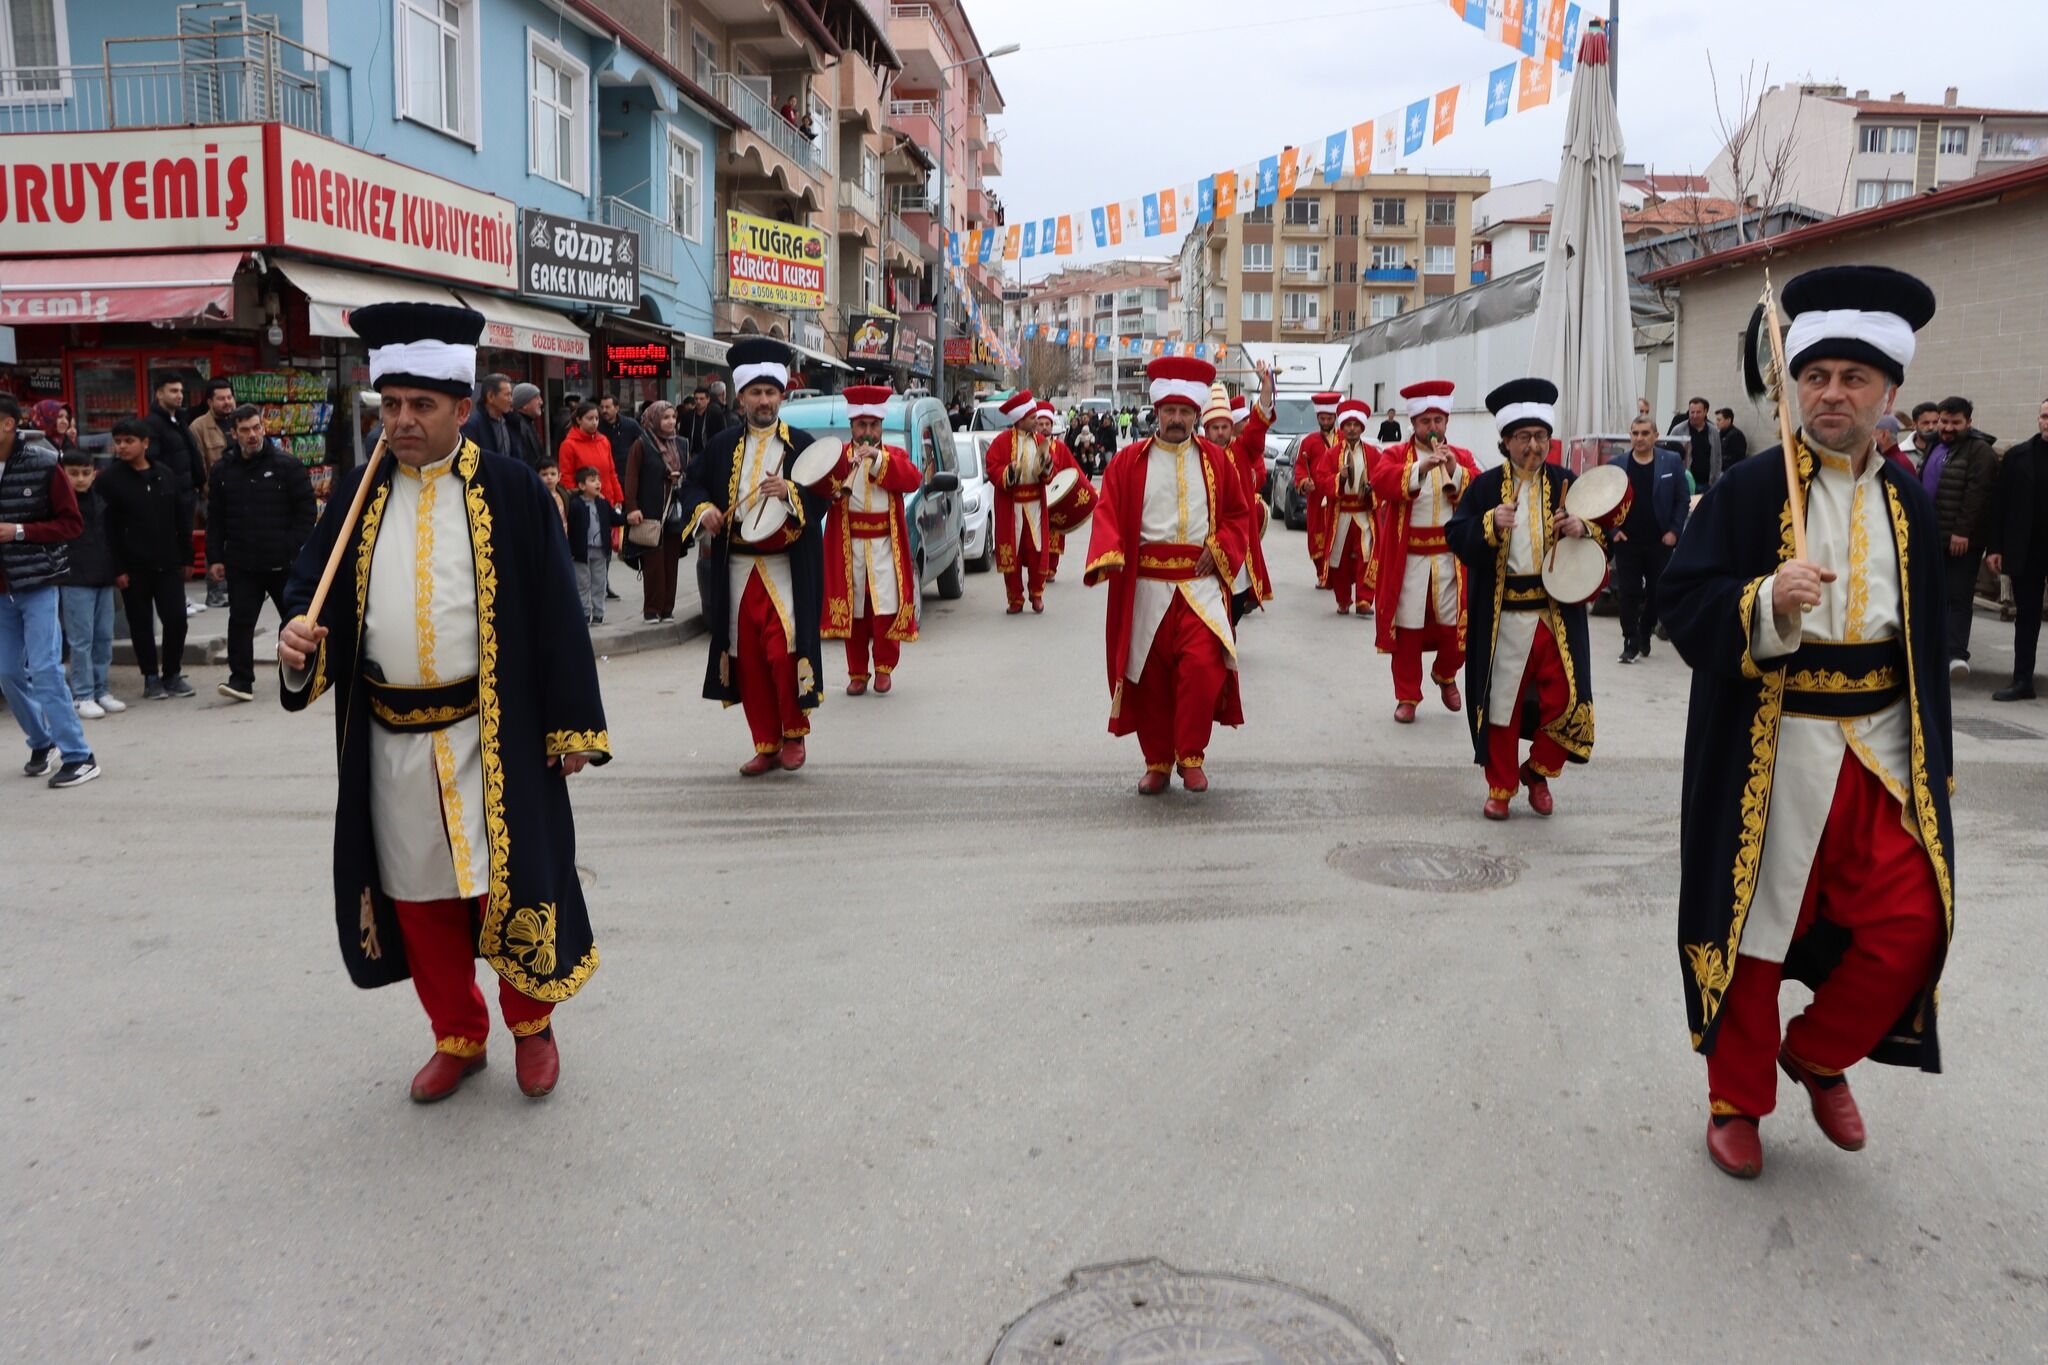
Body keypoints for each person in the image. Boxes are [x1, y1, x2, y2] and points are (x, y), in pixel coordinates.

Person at [276, 301, 610, 1105]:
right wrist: (295, 639)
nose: (401, 422)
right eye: (389, 406)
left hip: (489, 732)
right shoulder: (359, 494)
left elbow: (559, 615)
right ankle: (456, 1033)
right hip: (390, 739)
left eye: (420, 406)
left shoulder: (513, 492)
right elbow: (307, 590)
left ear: (462, 408)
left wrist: (572, 728)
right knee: (419, 893)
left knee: (510, 881)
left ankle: (532, 1026)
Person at [1661, 265, 1953, 1181]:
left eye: (1853, 379)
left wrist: (1933, 761)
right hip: (1773, 745)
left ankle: (1818, 1052)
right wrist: (1762, 600)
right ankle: (1736, 1097)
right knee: (1757, 928)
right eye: (1816, 375)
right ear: (1795, 384)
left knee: (1917, 919)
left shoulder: (1908, 499)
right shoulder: (1751, 490)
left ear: (1888, 393)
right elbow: (1683, 605)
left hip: (1878, 750)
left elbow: (1923, 645)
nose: (1832, 394)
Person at [1082, 356, 1250, 795]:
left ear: (1196, 414)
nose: (1178, 420)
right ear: (1156, 412)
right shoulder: (1127, 462)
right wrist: (1109, 553)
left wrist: (1222, 549)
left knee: (1203, 666)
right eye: (1170, 412)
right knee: (1150, 675)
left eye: (1186, 412)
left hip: (1200, 588)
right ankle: (1157, 760)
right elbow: (1108, 510)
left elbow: (1238, 515)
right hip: (1147, 587)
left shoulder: (1216, 461)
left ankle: (1191, 755)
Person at [674, 338, 834, 776]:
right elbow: (692, 484)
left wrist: (791, 491)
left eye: (772, 392)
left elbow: (825, 495)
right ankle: (765, 742)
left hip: (784, 565)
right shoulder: (723, 444)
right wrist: (704, 509)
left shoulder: (801, 443)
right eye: (756, 393)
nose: (764, 401)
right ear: (741, 396)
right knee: (746, 657)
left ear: (783, 394)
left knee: (784, 652)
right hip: (737, 567)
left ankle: (794, 735)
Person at [1445, 378, 1598, 821]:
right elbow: (1456, 534)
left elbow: (1605, 529)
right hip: (1504, 617)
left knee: (1567, 702)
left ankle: (1538, 771)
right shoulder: (1486, 487)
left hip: (1555, 617)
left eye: (1541, 437)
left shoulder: (1568, 484)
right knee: (1501, 705)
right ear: (1507, 441)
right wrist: (1490, 523)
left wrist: (1582, 529)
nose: (1534, 446)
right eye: (1524, 437)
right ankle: (1501, 785)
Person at [0, 394, 98, 789]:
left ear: (8, 423)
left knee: (44, 669)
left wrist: (19, 532)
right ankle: (42, 742)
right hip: (1, 589)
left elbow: (71, 524)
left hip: (38, 583)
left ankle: (79, 754)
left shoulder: (44, 465)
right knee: (7, 673)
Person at [1373, 380, 1481, 721]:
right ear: (1414, 424)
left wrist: (1452, 470)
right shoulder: (1396, 455)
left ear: (1446, 422)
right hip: (1410, 560)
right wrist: (1422, 467)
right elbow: (1382, 480)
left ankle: (1445, 673)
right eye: (1425, 421)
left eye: (1438, 421)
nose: (1432, 427)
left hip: (1451, 558)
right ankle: (1407, 696)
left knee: (1458, 627)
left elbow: (1481, 490)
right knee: (1408, 629)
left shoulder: (1461, 456)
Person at [206, 404, 317, 701]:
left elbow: (307, 512)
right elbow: (215, 517)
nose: (252, 435)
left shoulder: (286, 465)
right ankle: (241, 680)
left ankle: (304, 672)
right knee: (240, 621)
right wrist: (214, 557)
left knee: (296, 620)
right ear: (234, 433)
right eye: (245, 430)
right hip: (243, 562)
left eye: (256, 428)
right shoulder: (223, 471)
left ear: (264, 428)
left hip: (284, 563)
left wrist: (291, 545)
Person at [822, 384, 922, 695]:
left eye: (874, 425)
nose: (868, 431)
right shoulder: (838, 456)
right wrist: (838, 479)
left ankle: (883, 669)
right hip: (849, 545)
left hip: (883, 546)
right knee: (855, 611)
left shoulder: (894, 454)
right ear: (851, 426)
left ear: (881, 427)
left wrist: (877, 459)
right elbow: (820, 487)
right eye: (862, 425)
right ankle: (857, 672)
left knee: (884, 609)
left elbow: (912, 478)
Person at [99, 416, 194, 699]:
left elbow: (181, 518)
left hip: (168, 563)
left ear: (145, 443)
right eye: (118, 442)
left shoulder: (164, 474)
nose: (122, 447)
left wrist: (186, 557)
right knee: (140, 624)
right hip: (132, 567)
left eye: (129, 441)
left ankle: (173, 673)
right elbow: (107, 530)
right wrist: (117, 568)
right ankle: (150, 677)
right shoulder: (110, 481)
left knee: (176, 618)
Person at [1921, 395, 1998, 678]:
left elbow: (1978, 495)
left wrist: (1962, 532)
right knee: (1932, 595)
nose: (1948, 427)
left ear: (1968, 422)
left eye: (1956, 422)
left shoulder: (1980, 451)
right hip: (1931, 536)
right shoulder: (1934, 444)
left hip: (1960, 541)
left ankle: (1955, 654)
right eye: (1944, 421)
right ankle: (1933, 649)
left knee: (1957, 595)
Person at [1609, 415, 1690, 664]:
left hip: (1660, 541)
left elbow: (1682, 499)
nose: (1639, 438)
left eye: (1645, 433)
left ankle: (1645, 630)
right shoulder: (1617, 464)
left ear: (1655, 436)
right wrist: (1614, 530)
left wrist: (1674, 531)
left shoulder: (1672, 462)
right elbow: (1604, 501)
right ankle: (1630, 641)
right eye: (1635, 433)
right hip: (1627, 541)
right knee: (1628, 592)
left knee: (1658, 593)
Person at [1200, 366, 1275, 625]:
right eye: (1215, 427)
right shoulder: (1196, 454)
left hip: (1237, 541)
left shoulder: (1243, 450)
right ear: (1206, 430)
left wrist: (1265, 390)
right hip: (1206, 543)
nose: (1220, 432)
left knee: (1236, 602)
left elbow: (1256, 430)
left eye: (1224, 426)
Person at [1987, 398, 2048, 701]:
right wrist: (1995, 548)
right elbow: (2000, 504)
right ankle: (2022, 680)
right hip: (2028, 550)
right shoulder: (2019, 456)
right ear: (2038, 419)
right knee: (2027, 617)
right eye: (2044, 416)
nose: (2047, 422)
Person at [56, 449, 123, 720]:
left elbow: (110, 539)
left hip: (102, 576)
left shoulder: (99, 500)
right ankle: (82, 694)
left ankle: (101, 688)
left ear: (94, 473)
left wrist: (115, 569)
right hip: (74, 578)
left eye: (86, 473)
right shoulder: (58, 505)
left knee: (104, 637)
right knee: (81, 640)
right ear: (62, 475)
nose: (81, 479)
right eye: (73, 474)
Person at [985, 390, 1058, 614]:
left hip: (1035, 505)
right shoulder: (1001, 442)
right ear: (1021, 419)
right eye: (1033, 418)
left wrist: (1046, 466)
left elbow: (1049, 472)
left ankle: (1037, 594)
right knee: (1012, 554)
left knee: (1036, 551)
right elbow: (992, 466)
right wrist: (1008, 472)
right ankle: (1015, 598)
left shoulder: (1041, 441)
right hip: (1012, 506)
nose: (1037, 422)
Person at [143, 371, 208, 615]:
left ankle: (182, 596)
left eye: (181, 391)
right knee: (172, 548)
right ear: (159, 393)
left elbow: (190, 454)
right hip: (168, 498)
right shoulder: (152, 425)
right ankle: (175, 599)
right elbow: (155, 461)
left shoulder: (178, 420)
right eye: (173, 391)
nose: (179, 395)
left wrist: (199, 482)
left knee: (184, 544)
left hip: (186, 493)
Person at [621, 399, 689, 624]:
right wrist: (631, 507)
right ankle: (652, 610)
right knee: (653, 565)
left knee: (671, 561)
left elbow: (690, 473)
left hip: (674, 511)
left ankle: (667, 609)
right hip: (649, 512)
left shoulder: (680, 444)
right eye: (666, 418)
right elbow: (631, 478)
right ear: (654, 419)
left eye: (673, 417)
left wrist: (679, 479)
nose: (671, 422)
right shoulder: (642, 444)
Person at [1313, 399, 1378, 615]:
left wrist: (1372, 491)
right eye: (1348, 425)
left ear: (1362, 427)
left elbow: (1382, 478)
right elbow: (1321, 480)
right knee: (1337, 558)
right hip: (1340, 514)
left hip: (1362, 513)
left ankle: (1364, 600)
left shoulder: (1373, 453)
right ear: (1342, 427)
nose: (1351, 429)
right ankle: (1343, 599)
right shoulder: (1332, 455)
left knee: (1366, 555)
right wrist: (1338, 479)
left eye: (1355, 425)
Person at [1294, 391, 1343, 583]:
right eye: (1322, 418)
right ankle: (1322, 574)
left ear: (1335, 417)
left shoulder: (1344, 438)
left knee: (1338, 537)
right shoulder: (1309, 441)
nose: (1326, 421)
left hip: (1338, 497)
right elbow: (1300, 466)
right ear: (1317, 418)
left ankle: (1335, 576)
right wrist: (1305, 482)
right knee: (1317, 538)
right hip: (1316, 498)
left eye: (1329, 418)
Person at [565, 465, 619, 625]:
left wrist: (628, 518)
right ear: (581, 486)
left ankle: (598, 613)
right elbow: (571, 529)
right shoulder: (575, 505)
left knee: (599, 583)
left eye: (598, 480)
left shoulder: (602, 503)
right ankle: (584, 612)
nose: (597, 483)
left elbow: (613, 518)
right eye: (592, 480)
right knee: (582, 583)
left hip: (600, 550)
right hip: (581, 552)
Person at [557, 400, 624, 513]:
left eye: (597, 418)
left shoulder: (603, 441)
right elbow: (566, 478)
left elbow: (611, 472)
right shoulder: (568, 445)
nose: (594, 422)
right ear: (579, 420)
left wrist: (619, 498)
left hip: (608, 501)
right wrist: (579, 501)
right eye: (590, 418)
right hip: (585, 505)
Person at [1668, 396, 1723, 487]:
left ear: (1705, 412)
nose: (1694, 415)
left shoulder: (1713, 431)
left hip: (1708, 484)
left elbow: (1718, 456)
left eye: (1698, 412)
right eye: (1692, 412)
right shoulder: (1678, 430)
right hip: (1685, 484)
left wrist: (1715, 479)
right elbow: (1669, 456)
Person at [460, 374, 517, 460]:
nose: (511, 400)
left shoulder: (510, 423)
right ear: (490, 396)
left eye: (511, 395)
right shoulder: (472, 425)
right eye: (507, 395)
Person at [508, 382, 547, 470]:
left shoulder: (527, 424)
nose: (541, 402)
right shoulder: (518, 426)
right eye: (537, 398)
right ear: (524, 405)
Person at [1899, 401, 1940, 472]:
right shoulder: (1901, 453)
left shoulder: (1949, 450)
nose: (1931, 427)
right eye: (1925, 423)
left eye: (1935, 422)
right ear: (1914, 424)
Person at [537, 457, 568, 534]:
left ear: (559, 477)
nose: (549, 477)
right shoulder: (537, 497)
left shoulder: (563, 493)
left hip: (563, 537)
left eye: (553, 474)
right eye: (544, 474)